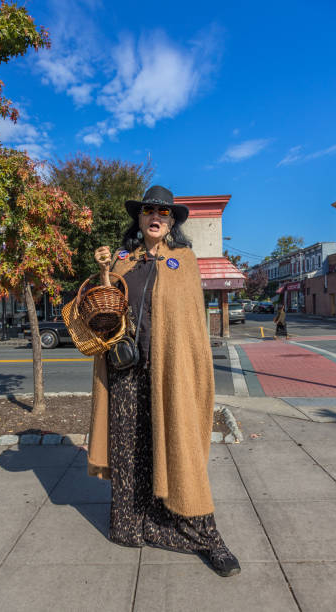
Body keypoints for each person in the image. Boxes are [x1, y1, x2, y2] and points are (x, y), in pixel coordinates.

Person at [89, 185, 241, 577]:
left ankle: (206, 536)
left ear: (171, 221)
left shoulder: (184, 261)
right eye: (148, 211)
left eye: (163, 212)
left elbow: (189, 325)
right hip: (124, 371)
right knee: (129, 451)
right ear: (139, 219)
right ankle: (133, 525)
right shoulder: (124, 261)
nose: (155, 216)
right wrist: (104, 272)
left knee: (177, 448)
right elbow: (105, 309)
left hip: (166, 371)